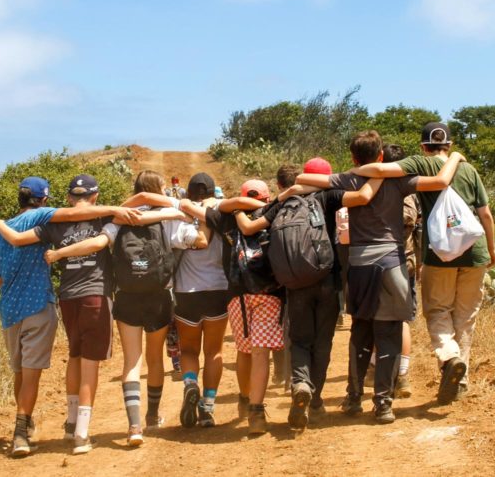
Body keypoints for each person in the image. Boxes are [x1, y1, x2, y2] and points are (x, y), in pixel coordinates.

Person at [0, 174, 187, 453]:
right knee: (91, 363)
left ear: (70, 197)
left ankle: (70, 422)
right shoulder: (104, 219)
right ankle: (82, 434)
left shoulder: (53, 224)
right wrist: (177, 208)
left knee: (74, 355)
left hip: (66, 298)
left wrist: (0, 224)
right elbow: (129, 218)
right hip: (96, 296)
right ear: (95, 196)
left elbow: (18, 239)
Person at [296, 130, 464, 423]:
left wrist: (351, 173)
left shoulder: (347, 179)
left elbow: (303, 179)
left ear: (353, 157)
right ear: (382, 157)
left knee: (360, 332)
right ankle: (383, 404)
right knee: (388, 336)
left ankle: (353, 398)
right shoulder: (400, 181)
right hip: (391, 263)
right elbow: (441, 181)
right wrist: (456, 157)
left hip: (359, 266)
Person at [43, 170, 210, 446]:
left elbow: (100, 242)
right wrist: (193, 217)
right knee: (155, 359)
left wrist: (59, 254)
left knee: (132, 361)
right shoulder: (169, 220)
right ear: (159, 190)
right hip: (159, 295)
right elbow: (199, 241)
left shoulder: (119, 218)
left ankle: (134, 427)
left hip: (126, 296)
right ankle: (153, 417)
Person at [345, 122, 495, 405]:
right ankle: (460, 380)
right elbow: (485, 214)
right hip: (474, 252)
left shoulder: (419, 164)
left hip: (440, 252)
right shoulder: (469, 169)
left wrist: (353, 171)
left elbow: (381, 170)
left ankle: (449, 357)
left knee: (438, 310)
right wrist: (491, 249)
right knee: (466, 318)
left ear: (423, 147)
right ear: (449, 145)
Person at [234, 162, 381, 431]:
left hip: (295, 284)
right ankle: (314, 401)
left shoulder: (285, 201)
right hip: (327, 278)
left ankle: (300, 383)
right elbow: (362, 196)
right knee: (322, 341)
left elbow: (250, 228)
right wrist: (379, 171)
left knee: (300, 340)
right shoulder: (329, 195)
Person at [173, 173, 264, 428]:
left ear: (189, 192)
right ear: (213, 192)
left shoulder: (181, 216)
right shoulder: (222, 216)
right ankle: (208, 407)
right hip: (217, 289)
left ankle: (191, 384)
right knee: (214, 352)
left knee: (188, 350)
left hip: (185, 292)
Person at [380, 143, 420, 398]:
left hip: (384, 262)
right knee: (402, 319)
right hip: (406, 261)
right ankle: (402, 376)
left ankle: (387, 373)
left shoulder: (378, 187)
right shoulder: (411, 190)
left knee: (382, 318)